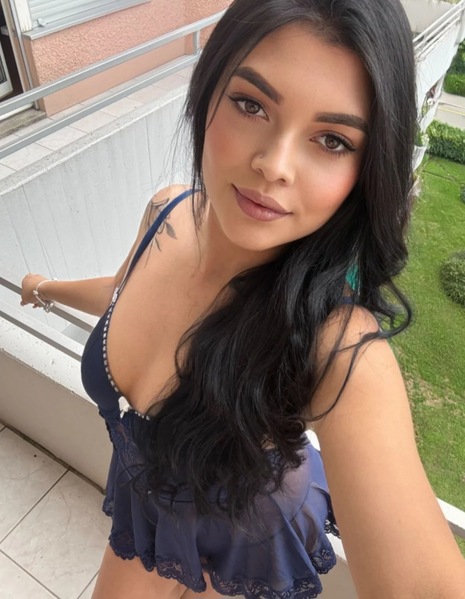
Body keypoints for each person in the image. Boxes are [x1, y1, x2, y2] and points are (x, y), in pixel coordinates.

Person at [20, 0, 465, 597]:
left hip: (250, 534)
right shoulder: (167, 211)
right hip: (154, 504)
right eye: (252, 105)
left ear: (366, 169)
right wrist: (44, 288)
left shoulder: (340, 348)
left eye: (332, 140)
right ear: (208, 91)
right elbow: (121, 293)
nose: (272, 165)